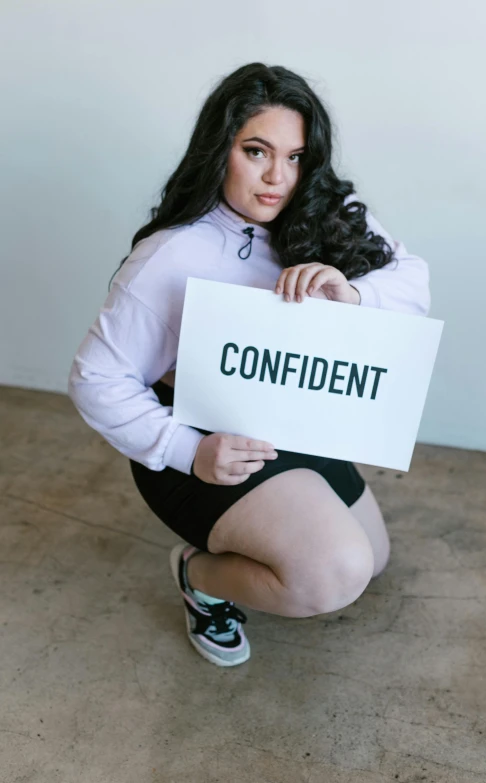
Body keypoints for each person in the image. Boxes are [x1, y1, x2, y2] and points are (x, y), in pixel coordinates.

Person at [68, 62, 431, 668]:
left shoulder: (326, 212)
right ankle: (198, 575)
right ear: (221, 149)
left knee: (372, 557)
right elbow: (95, 380)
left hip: (290, 420)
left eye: (294, 157)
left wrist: (353, 293)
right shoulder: (173, 253)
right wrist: (187, 451)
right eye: (257, 151)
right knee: (332, 574)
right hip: (205, 443)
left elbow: (413, 281)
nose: (276, 177)